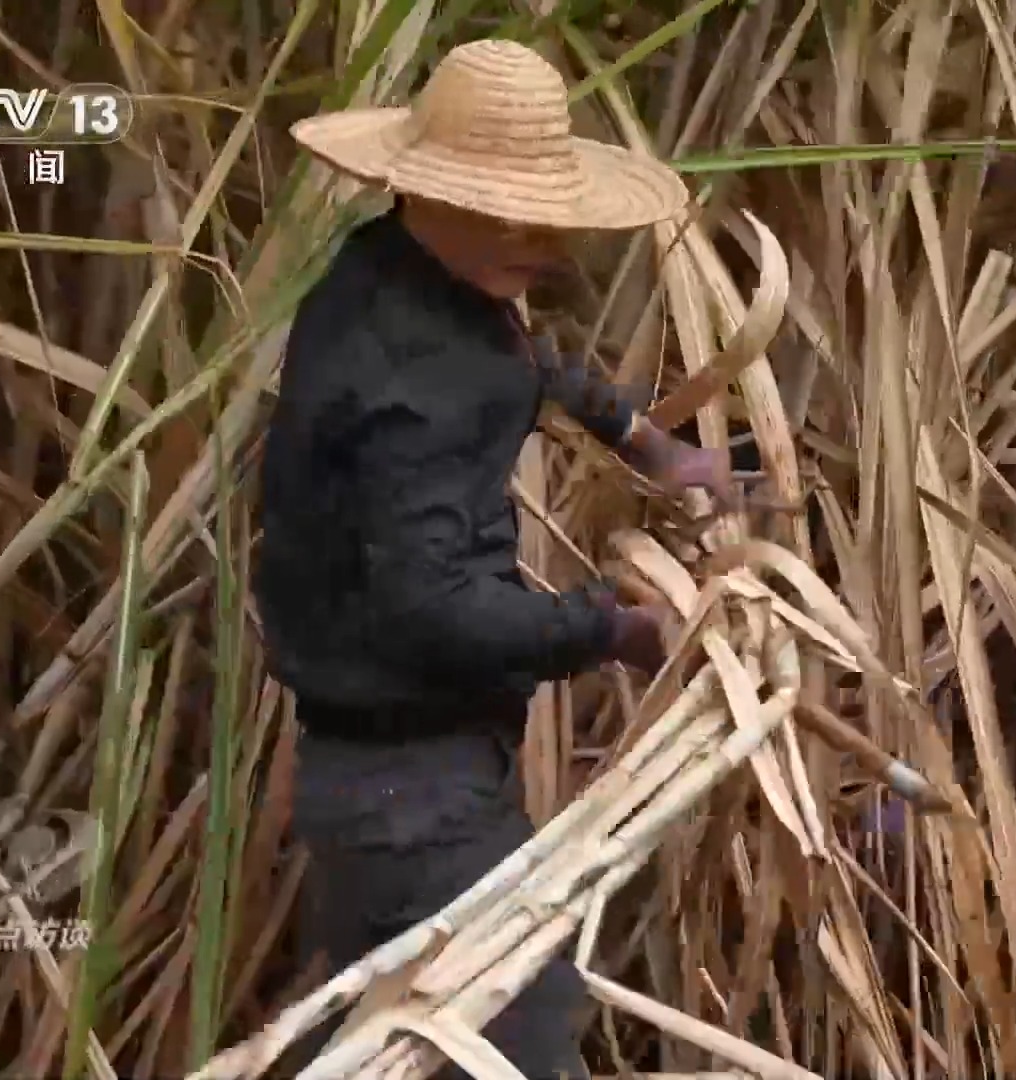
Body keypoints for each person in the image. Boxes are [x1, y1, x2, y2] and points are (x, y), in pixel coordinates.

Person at [253, 39, 737, 1079]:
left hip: (377, 782)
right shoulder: (419, 387)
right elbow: (438, 610)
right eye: (505, 206)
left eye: (542, 208)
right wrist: (615, 628)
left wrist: (638, 434)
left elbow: (512, 351)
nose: (544, 241)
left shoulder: (385, 268)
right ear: (430, 189)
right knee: (519, 1046)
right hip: (412, 799)